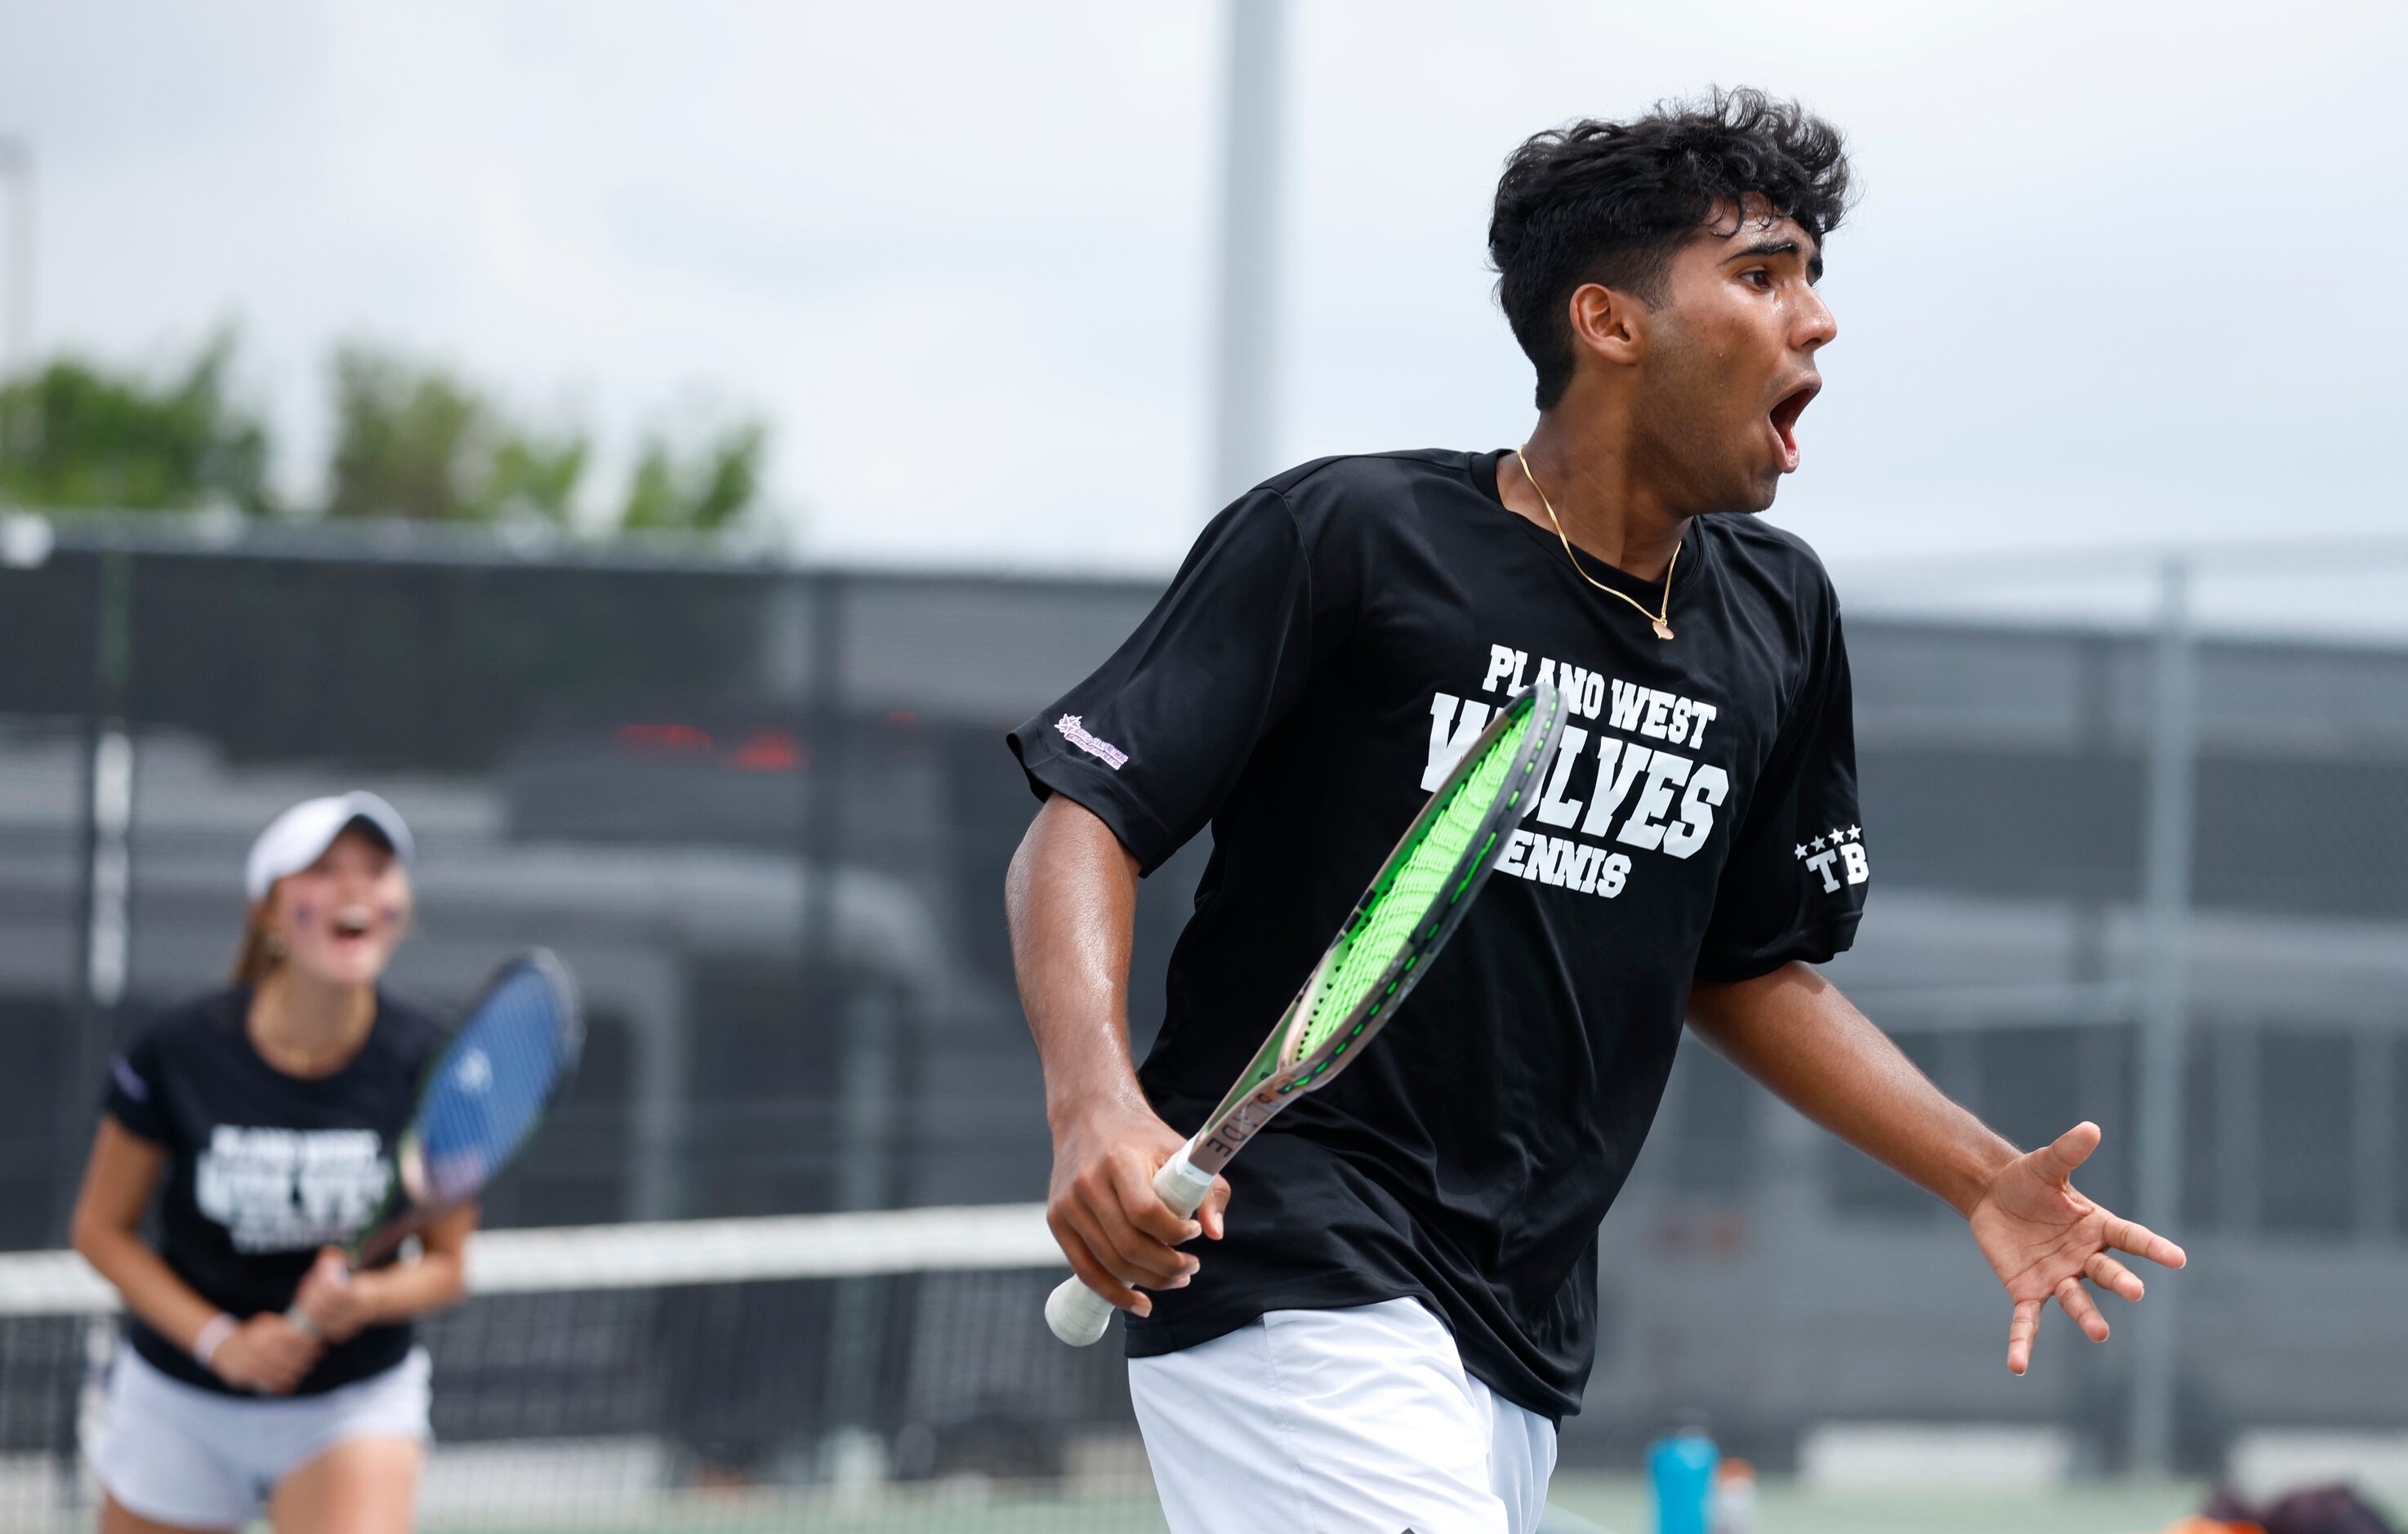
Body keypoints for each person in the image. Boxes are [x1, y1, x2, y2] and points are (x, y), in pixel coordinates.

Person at [1004, 90, 2187, 1532]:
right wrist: (1093, 1107)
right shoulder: (1353, 539)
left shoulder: (1776, 618)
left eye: (1814, 277)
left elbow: (1743, 964)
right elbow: (1086, 812)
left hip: (1518, 1326)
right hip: (1289, 1257)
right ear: (1607, 323)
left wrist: (1980, 1175)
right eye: (1760, 275)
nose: (1812, 322)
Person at [69, 792, 470, 1534]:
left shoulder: (434, 1063)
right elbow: (101, 1230)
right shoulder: (178, 1048)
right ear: (269, 910)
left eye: (376, 869)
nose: (354, 888)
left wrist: (366, 1301)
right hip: (179, 1397)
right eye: (322, 869)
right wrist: (223, 1343)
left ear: (399, 904)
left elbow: (447, 1265)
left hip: (350, 1405)